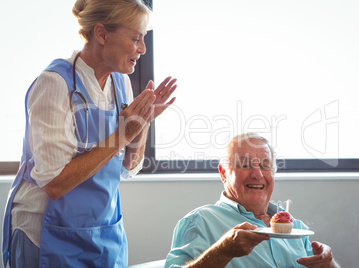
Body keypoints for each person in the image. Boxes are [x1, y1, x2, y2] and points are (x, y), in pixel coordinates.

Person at [2, 0, 177, 267]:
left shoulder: (121, 83)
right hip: (45, 235)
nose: (142, 49)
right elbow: (54, 184)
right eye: (135, 38)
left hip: (102, 232)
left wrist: (142, 124)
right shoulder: (55, 83)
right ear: (102, 34)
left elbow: (128, 167)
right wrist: (122, 135)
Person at [165, 133, 341, 268]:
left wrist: (329, 264)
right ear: (223, 173)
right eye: (245, 165)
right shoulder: (201, 221)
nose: (257, 175)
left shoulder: (297, 228)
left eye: (265, 166)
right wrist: (221, 252)